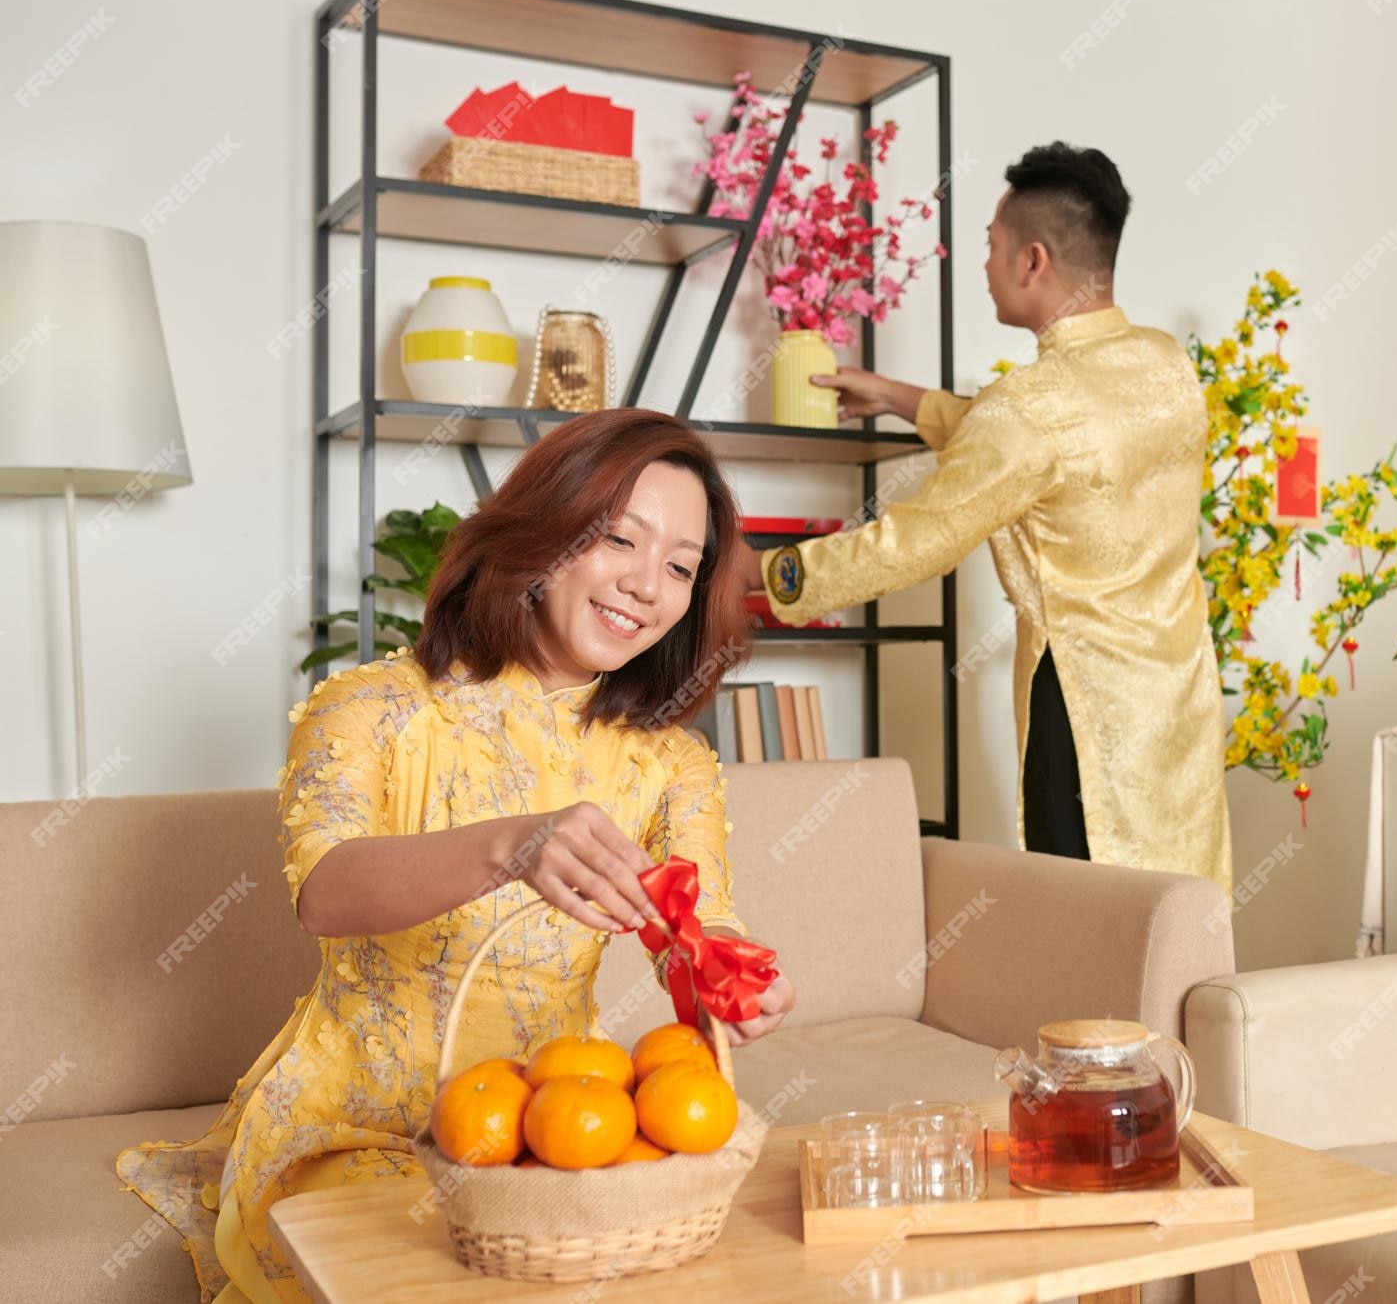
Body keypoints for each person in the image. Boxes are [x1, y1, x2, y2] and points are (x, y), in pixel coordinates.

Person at [117, 409, 795, 1304]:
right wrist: (511, 843)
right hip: (356, 1131)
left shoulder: (672, 762)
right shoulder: (370, 709)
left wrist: (729, 976)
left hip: (553, 1127)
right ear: (543, 532)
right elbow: (325, 888)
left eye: (679, 565)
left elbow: (697, 924)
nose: (646, 584)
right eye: (618, 538)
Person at [754, 142, 1230, 888]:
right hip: (1177, 707)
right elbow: (1065, 450)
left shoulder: (1029, 409)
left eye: (991, 245)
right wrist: (902, 398)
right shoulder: (1166, 365)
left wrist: (766, 573)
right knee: (1176, 919)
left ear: (1032, 260)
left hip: (1083, 713)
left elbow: (915, 542)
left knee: (1086, 925)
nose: (984, 264)